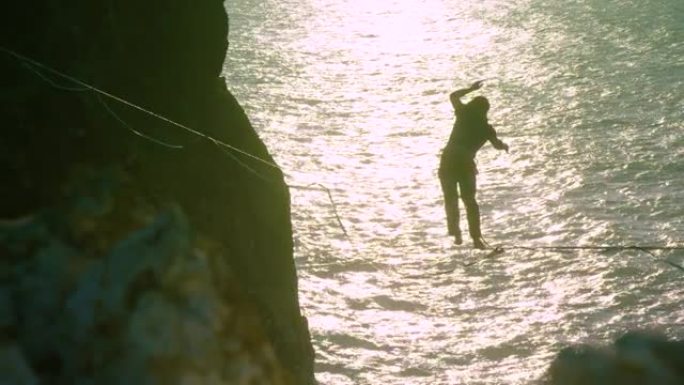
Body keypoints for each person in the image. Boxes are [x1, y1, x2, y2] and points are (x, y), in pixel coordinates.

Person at [438, 80, 508, 248]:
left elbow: (453, 96)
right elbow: (497, 145)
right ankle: (476, 238)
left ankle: (456, 233)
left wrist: (470, 89)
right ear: (486, 111)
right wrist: (504, 146)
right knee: (469, 200)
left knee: (450, 198)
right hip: (465, 165)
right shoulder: (486, 128)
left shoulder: (463, 114)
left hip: (448, 162)